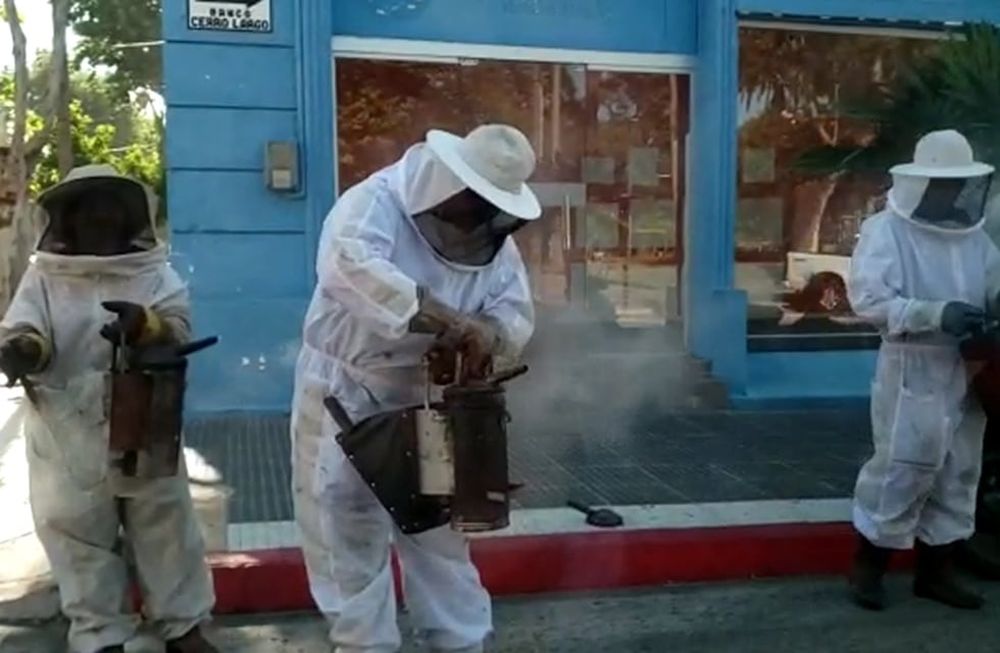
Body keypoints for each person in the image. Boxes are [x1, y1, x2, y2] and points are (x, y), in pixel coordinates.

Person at [291, 124, 540, 652]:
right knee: (346, 524)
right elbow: (349, 267)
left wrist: (490, 335)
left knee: (439, 532)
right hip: (346, 386)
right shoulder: (373, 202)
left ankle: (462, 642)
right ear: (445, 181)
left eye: (487, 206)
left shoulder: (495, 241)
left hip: (430, 395)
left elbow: (514, 312)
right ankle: (365, 645)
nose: (475, 217)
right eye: (470, 201)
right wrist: (448, 320)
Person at [0, 165, 218, 653]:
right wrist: (23, 350)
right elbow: (26, 332)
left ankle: (183, 627)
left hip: (145, 416)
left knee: (165, 527)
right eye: (88, 209)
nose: (99, 219)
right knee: (79, 536)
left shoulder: (153, 273)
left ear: (128, 217)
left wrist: (145, 326)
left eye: (108, 209)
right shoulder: (44, 279)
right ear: (68, 220)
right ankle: (100, 637)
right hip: (66, 428)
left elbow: (179, 327)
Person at [847, 130, 1000, 611]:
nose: (951, 193)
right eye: (942, 183)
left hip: (967, 365)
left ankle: (937, 574)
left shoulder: (975, 238)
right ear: (920, 183)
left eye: (958, 184)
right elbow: (869, 301)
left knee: (959, 470)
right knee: (902, 468)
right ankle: (868, 571)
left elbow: (993, 286)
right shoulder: (885, 231)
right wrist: (934, 314)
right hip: (912, 365)